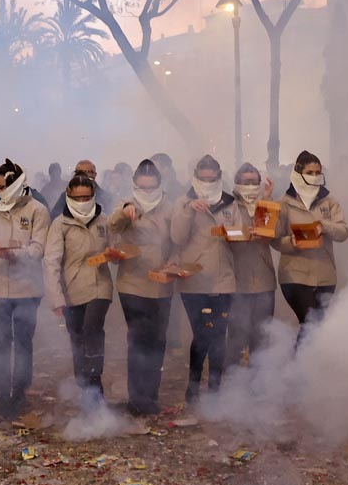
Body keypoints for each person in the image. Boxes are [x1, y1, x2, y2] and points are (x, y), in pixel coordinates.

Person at [0, 159, 50, 418]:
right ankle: (2, 393)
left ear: (13, 183)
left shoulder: (38, 211)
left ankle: (20, 392)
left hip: (27, 289)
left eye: (0, 187)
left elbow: (38, 249)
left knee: (23, 344)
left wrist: (15, 254)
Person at [171, 155, 238, 403]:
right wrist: (189, 211)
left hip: (224, 278)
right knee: (201, 333)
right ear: (196, 177)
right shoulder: (183, 201)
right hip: (194, 279)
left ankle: (216, 388)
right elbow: (176, 237)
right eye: (204, 178)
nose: (208, 183)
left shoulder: (230, 202)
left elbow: (239, 233)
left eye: (213, 178)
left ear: (220, 177)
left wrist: (230, 233)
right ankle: (193, 386)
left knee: (219, 334)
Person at [109, 159, 173, 416]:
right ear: (134, 184)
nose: (147, 192)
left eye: (152, 187)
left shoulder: (169, 207)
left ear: (159, 185)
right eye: (142, 187)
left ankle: (151, 394)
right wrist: (124, 211)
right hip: (133, 283)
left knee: (158, 340)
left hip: (162, 283)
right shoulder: (126, 204)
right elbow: (113, 225)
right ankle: (137, 398)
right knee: (138, 339)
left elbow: (178, 238)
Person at [45, 174, 112, 402]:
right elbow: (51, 262)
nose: (83, 201)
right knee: (77, 338)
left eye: (87, 197)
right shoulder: (60, 224)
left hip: (99, 286)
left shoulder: (104, 220)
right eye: (78, 197)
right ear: (69, 196)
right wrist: (56, 298)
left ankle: (95, 383)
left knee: (93, 330)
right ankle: (83, 385)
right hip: (71, 289)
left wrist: (115, 254)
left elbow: (118, 247)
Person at [275, 151, 348, 334]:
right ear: (299, 173)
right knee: (310, 325)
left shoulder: (329, 201)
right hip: (295, 275)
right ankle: (300, 363)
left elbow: (343, 232)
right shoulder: (284, 203)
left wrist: (323, 226)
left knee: (319, 327)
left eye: (318, 173)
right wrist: (292, 242)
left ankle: (311, 362)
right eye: (310, 173)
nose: (315, 177)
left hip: (325, 273)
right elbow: (274, 239)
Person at [226, 163, 276, 363]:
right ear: (237, 183)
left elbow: (271, 235)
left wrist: (267, 199)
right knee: (237, 335)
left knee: (261, 335)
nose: (250, 186)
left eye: (254, 182)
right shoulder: (228, 205)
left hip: (264, 279)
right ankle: (231, 381)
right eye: (246, 182)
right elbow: (222, 234)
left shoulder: (266, 205)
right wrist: (243, 233)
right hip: (237, 280)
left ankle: (259, 382)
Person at [49, 160, 114, 219]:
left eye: (87, 172)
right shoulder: (66, 196)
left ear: (94, 175)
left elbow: (111, 222)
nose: (83, 176)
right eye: (79, 173)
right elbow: (55, 216)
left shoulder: (106, 198)